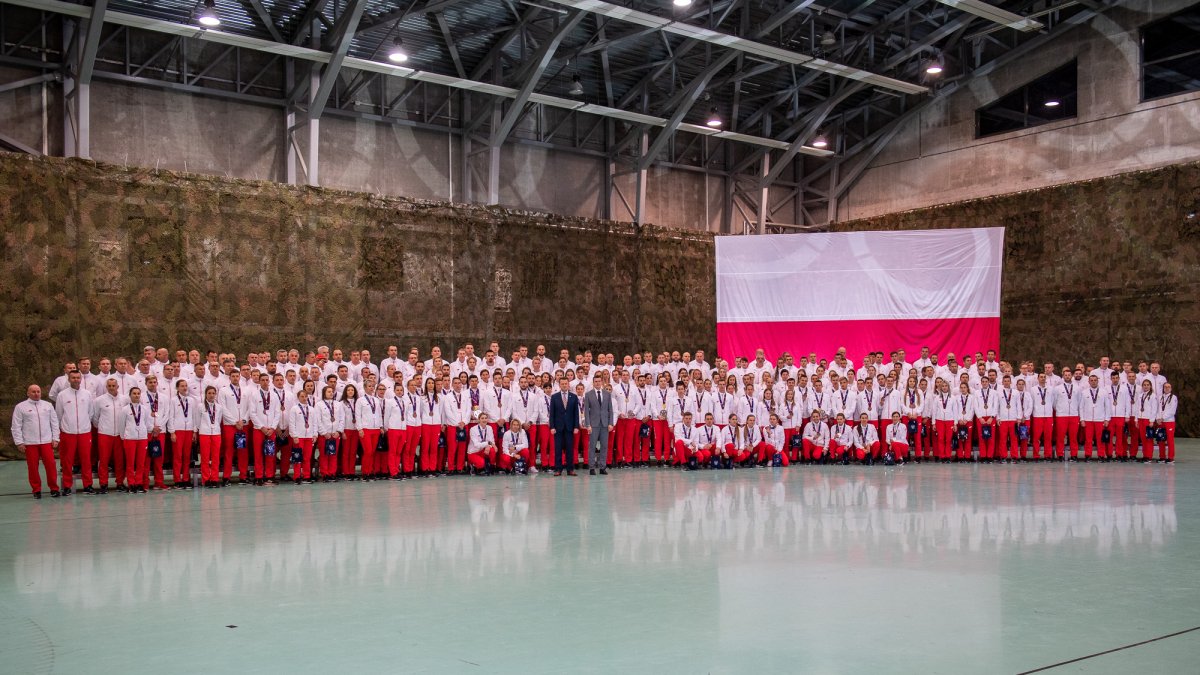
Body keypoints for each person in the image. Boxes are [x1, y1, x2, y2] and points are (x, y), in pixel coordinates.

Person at [11, 384, 61, 498]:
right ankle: (36, 490)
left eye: (38, 391)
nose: (36, 394)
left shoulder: (48, 405)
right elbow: (16, 426)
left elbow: (54, 423)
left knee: (51, 465)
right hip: (30, 443)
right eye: (33, 392)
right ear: (28, 393)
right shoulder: (20, 407)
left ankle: (54, 488)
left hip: (46, 441)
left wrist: (55, 438)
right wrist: (19, 442)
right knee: (33, 467)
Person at [55, 370, 94, 494]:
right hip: (68, 432)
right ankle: (67, 486)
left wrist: (84, 425)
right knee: (67, 460)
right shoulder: (62, 395)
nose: (76, 380)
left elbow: (91, 412)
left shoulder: (87, 394)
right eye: (73, 378)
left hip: (84, 432)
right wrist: (65, 427)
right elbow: (59, 414)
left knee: (86, 460)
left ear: (81, 379)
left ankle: (88, 485)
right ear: (69, 379)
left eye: (78, 377)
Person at [117, 386, 156, 494]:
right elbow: (121, 425)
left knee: (141, 463)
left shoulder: (144, 409)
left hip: (142, 438)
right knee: (130, 463)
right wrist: (124, 436)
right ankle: (131, 484)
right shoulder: (125, 410)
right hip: (129, 438)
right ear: (130, 395)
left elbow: (147, 423)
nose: (136, 395)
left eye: (138, 393)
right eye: (134, 393)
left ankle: (139, 483)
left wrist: (153, 428)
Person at [548, 377, 579, 476]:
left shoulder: (574, 396)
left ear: (568, 384)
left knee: (570, 449)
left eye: (566, 383)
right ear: (559, 385)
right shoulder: (554, 397)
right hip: (558, 427)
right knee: (558, 449)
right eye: (562, 384)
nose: (564, 385)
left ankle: (570, 469)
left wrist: (576, 426)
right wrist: (552, 427)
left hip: (570, 427)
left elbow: (576, 413)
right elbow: (552, 413)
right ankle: (558, 469)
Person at [584, 375, 614, 475]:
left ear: (602, 382)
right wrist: (588, 424)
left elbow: (610, 410)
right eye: (595, 381)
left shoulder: (607, 394)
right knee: (592, 446)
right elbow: (586, 411)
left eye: (599, 381)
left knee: (604, 446)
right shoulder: (588, 394)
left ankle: (602, 467)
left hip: (605, 424)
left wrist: (611, 423)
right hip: (593, 424)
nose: (597, 383)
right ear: (593, 383)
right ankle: (592, 467)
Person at [198, 386, 224, 487]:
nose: (211, 395)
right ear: (205, 394)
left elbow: (218, 420)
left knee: (215, 457)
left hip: (216, 433)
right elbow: (197, 420)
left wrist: (214, 427)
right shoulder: (200, 406)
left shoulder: (219, 407)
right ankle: (205, 479)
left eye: (213, 393)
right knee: (205, 457)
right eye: (209, 393)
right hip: (204, 433)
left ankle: (214, 478)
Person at [1156, 383, 1176, 463]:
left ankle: (1170, 457)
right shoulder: (1160, 397)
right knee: (1161, 439)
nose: (1167, 388)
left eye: (1168, 387)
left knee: (1170, 440)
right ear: (1163, 388)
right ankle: (1162, 457)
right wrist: (1158, 418)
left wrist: (1163, 418)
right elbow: (1158, 409)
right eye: (1165, 387)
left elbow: (1172, 411)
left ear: (1171, 388)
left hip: (1169, 421)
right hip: (1160, 422)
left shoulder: (1173, 397)